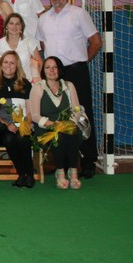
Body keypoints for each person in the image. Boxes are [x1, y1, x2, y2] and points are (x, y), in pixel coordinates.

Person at [36, 0, 102, 179]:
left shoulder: (79, 14)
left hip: (76, 71)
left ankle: (88, 161)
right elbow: (42, 44)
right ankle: (60, 163)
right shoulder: (43, 19)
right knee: (56, 114)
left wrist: (81, 61)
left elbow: (96, 42)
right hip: (53, 74)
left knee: (81, 114)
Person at [28, 56, 83, 189]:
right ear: (43, 70)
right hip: (45, 129)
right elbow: (35, 116)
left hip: (67, 125)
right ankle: (60, 172)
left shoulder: (69, 86)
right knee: (59, 136)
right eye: (48, 67)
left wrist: (68, 123)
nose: (51, 70)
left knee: (73, 133)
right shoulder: (38, 87)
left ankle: (73, 172)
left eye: (55, 67)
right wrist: (52, 124)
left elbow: (76, 110)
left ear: (60, 69)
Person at [0, 50, 35, 188]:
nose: (8, 66)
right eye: (5, 62)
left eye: (12, 63)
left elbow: (30, 110)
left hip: (24, 124)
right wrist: (7, 125)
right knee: (8, 139)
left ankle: (29, 174)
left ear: (17, 65)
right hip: (4, 127)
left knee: (22, 138)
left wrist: (22, 124)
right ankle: (21, 173)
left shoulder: (25, 84)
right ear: (1, 65)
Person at [0, 13, 42, 82]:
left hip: (28, 83)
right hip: (7, 84)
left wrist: (35, 80)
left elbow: (40, 63)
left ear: (22, 26)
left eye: (17, 24)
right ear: (6, 26)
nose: (14, 27)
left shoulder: (29, 42)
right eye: (11, 23)